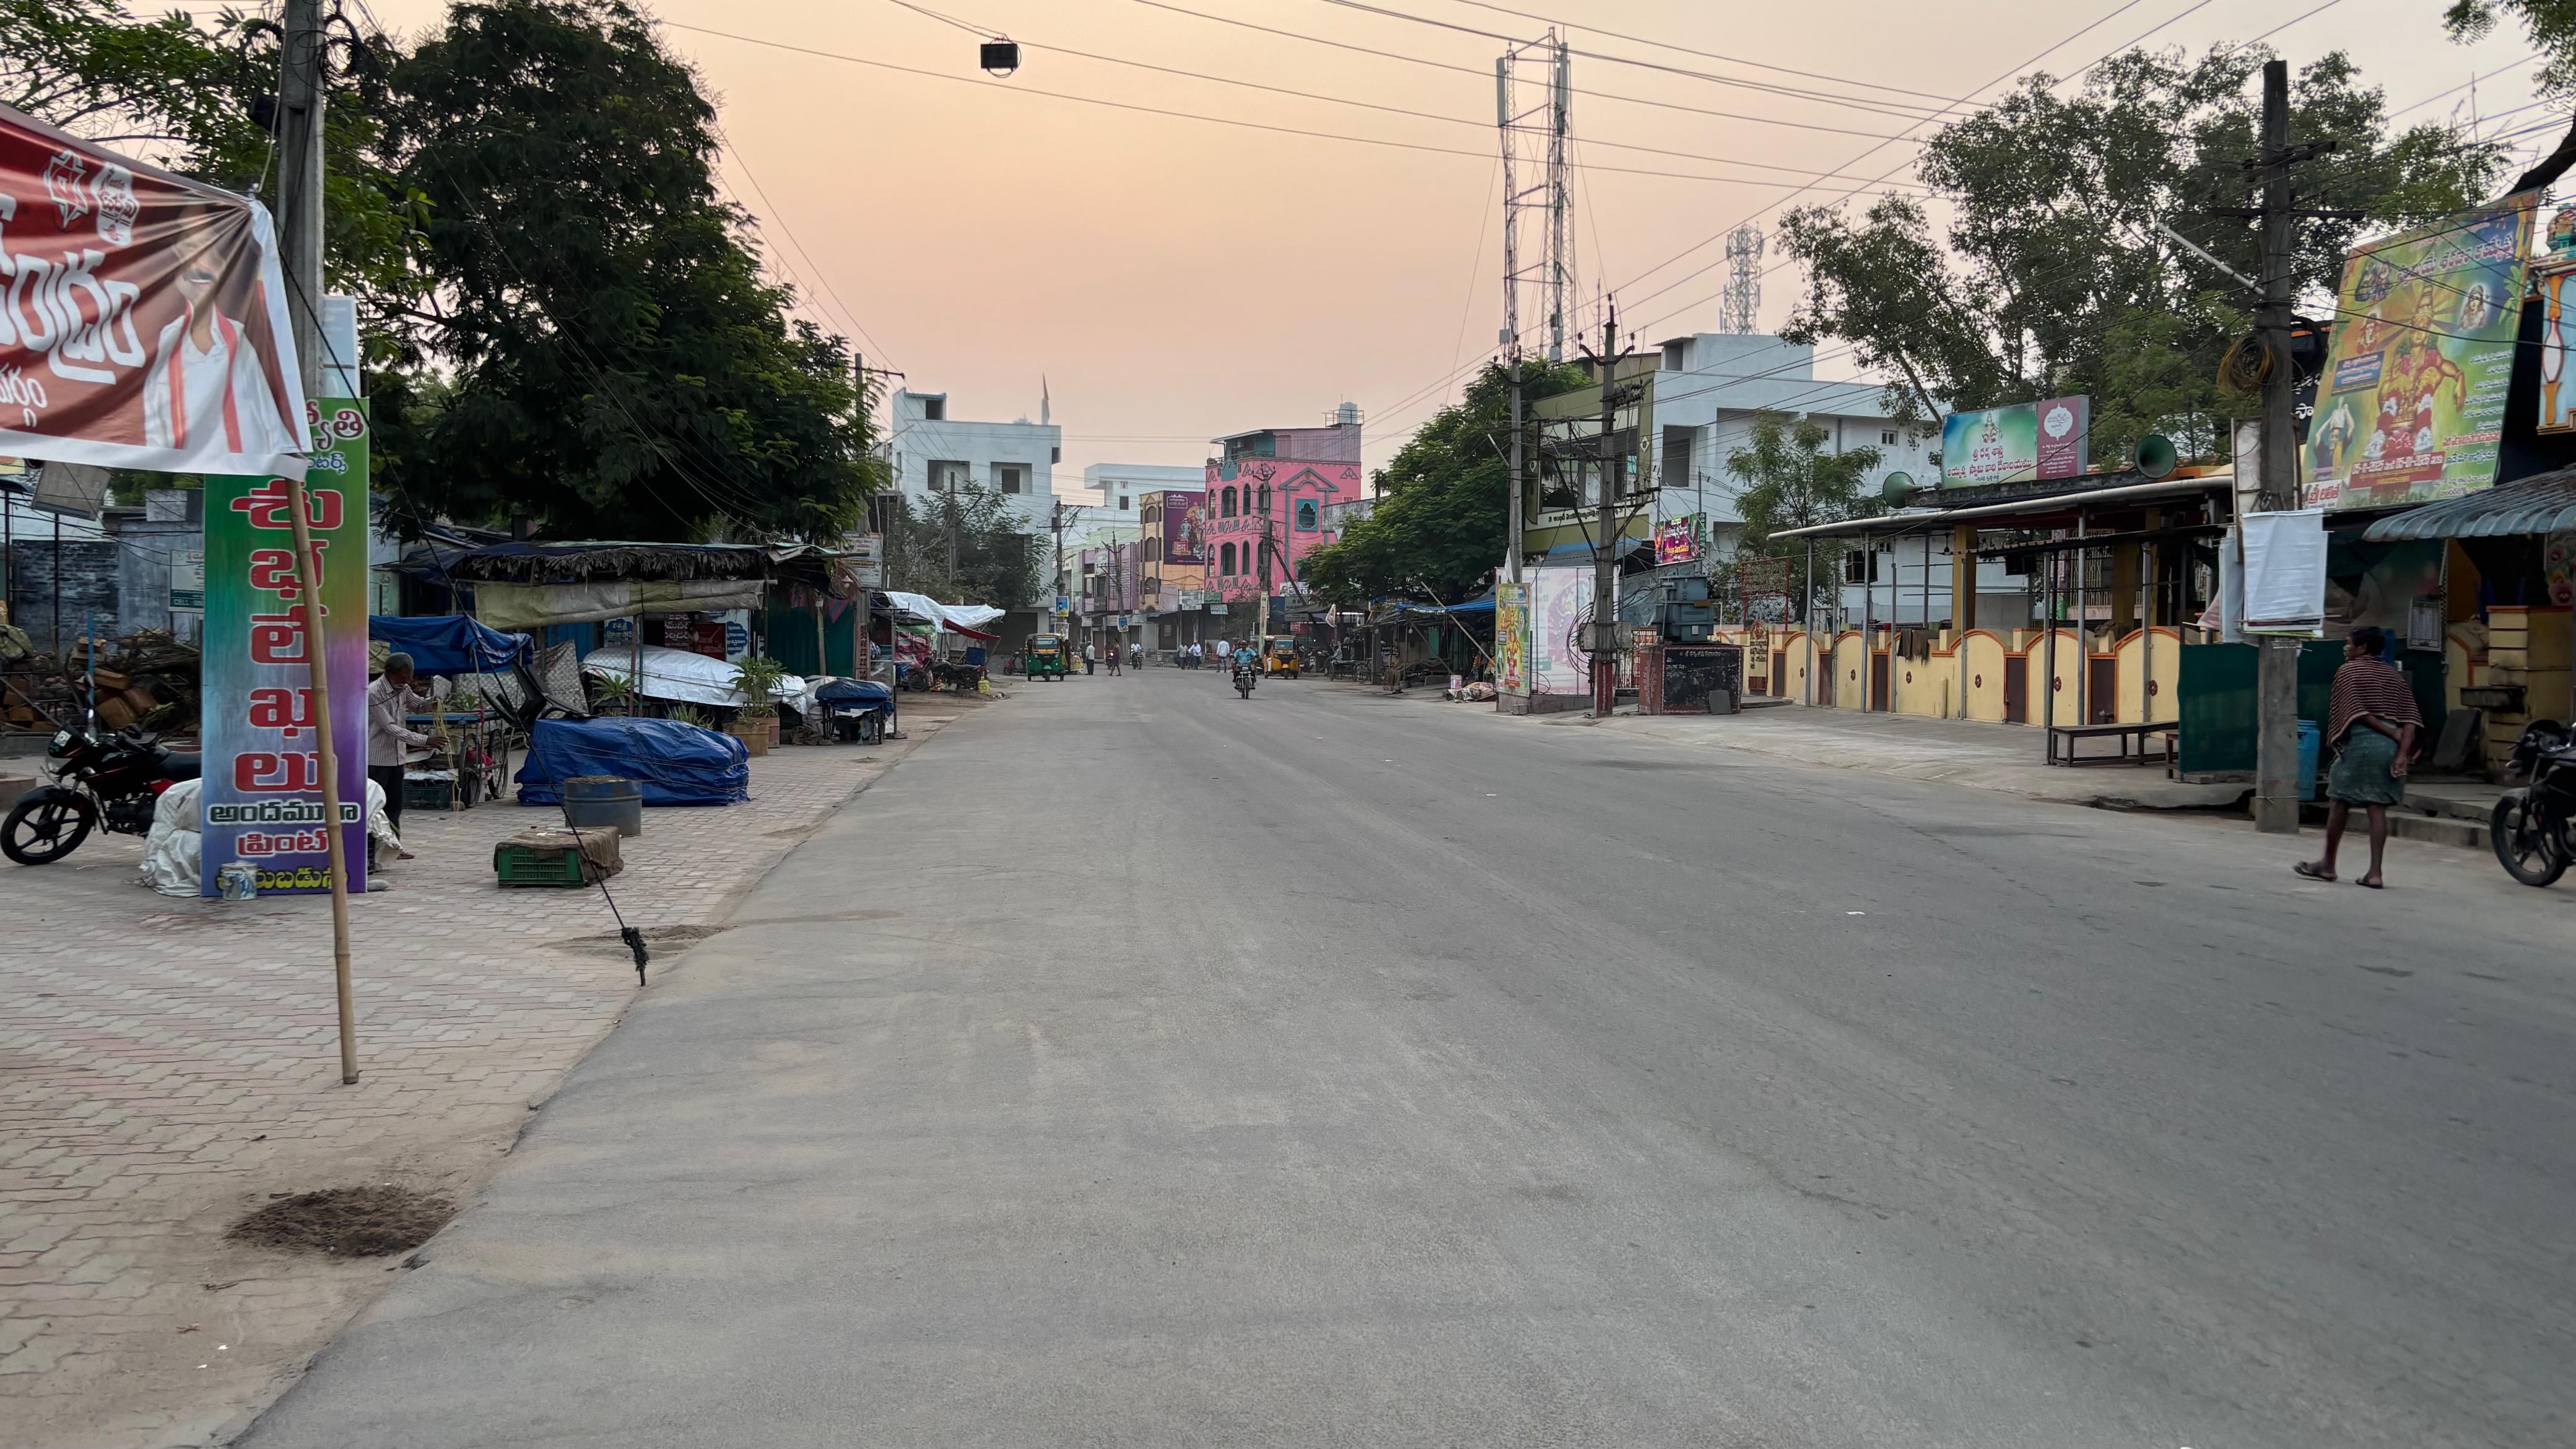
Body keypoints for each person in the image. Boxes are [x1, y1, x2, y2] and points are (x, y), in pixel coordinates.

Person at [2296, 625, 2422, 889]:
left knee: (2339, 801)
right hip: (2390, 748)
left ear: (2362, 648)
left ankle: (2328, 865)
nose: (2345, 647)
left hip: (2360, 744)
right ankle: (2375, 873)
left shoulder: (2349, 671)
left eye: (2348, 643)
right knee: (2377, 807)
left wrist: (2389, 732)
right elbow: (2410, 718)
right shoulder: (2394, 675)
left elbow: (2356, 711)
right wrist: (2401, 753)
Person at [366, 653, 432, 859]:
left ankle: (395, 848)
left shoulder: (403, 688)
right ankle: (373, 850)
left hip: (397, 757)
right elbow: (389, 727)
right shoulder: (374, 692)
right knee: (377, 807)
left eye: (410, 676)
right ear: (389, 673)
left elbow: (418, 706)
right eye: (403, 677)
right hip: (377, 758)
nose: (408, 680)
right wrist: (424, 740)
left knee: (395, 806)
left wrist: (433, 703)